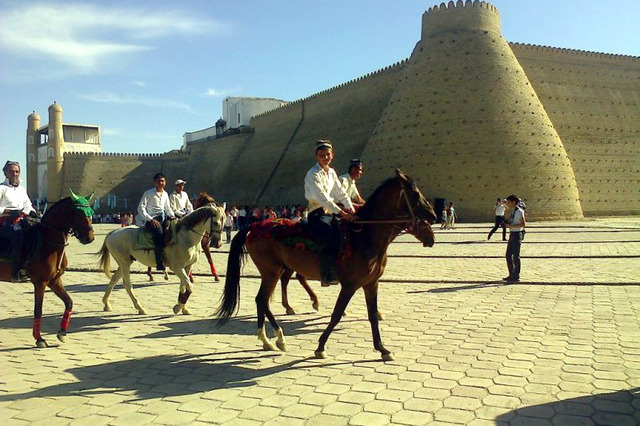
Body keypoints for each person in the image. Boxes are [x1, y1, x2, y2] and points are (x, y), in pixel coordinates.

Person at [304, 140, 355, 285]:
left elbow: (341, 192)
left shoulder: (332, 172)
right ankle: (326, 273)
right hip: (317, 212)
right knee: (329, 234)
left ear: (332, 155)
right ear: (316, 156)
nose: (325, 158)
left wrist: (349, 206)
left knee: (345, 232)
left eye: (327, 155)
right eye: (322, 155)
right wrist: (342, 212)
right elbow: (323, 198)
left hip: (330, 213)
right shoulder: (312, 174)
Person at [0, 161, 37, 281]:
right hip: (5, 222)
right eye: (12, 171)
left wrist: (33, 212)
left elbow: (28, 205)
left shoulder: (22, 189)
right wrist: (8, 212)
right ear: (6, 173)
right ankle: (16, 271)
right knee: (19, 236)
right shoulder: (2, 188)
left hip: (21, 220)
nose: (15, 174)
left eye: (17, 171)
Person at [137, 173, 175, 270]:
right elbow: (141, 208)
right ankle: (159, 261)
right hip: (152, 220)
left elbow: (167, 208)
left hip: (163, 218)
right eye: (158, 181)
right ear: (155, 183)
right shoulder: (148, 193)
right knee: (159, 233)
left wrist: (172, 216)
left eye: (162, 181)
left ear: (165, 182)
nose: (161, 183)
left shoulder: (166, 194)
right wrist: (150, 219)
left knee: (174, 230)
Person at [503, 194, 526, 283]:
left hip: (517, 234)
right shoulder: (513, 211)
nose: (508, 204)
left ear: (513, 202)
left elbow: (523, 224)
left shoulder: (520, 211)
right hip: (512, 234)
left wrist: (511, 225)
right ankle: (511, 274)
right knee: (508, 255)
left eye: (509, 202)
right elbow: (512, 220)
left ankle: (516, 275)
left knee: (516, 256)